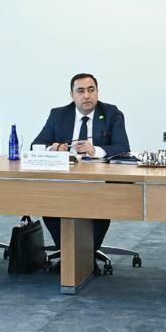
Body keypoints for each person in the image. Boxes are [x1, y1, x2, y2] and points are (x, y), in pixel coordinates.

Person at [32, 73, 130, 257]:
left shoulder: (111, 113)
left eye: (91, 90)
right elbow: (36, 145)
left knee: (101, 207)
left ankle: (87, 254)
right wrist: (53, 148)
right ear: (72, 95)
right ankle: (67, 252)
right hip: (64, 181)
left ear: (97, 92)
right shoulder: (58, 115)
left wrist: (95, 150)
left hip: (98, 182)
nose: (87, 95)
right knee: (48, 202)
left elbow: (123, 147)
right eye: (81, 91)